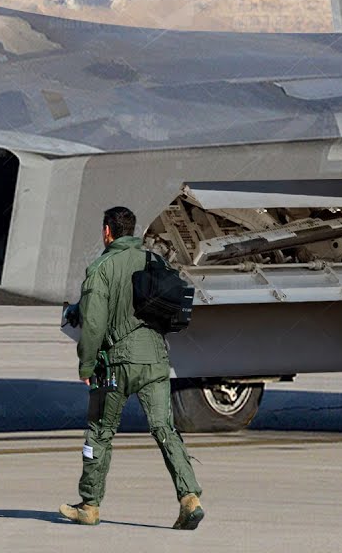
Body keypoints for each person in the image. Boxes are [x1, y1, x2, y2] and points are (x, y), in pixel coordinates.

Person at [59, 206, 204, 529]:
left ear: (107, 232)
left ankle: (90, 505)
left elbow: (94, 323)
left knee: (99, 431)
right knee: (164, 429)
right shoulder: (156, 261)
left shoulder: (102, 268)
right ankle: (190, 497)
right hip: (155, 360)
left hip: (116, 364)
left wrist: (87, 363)